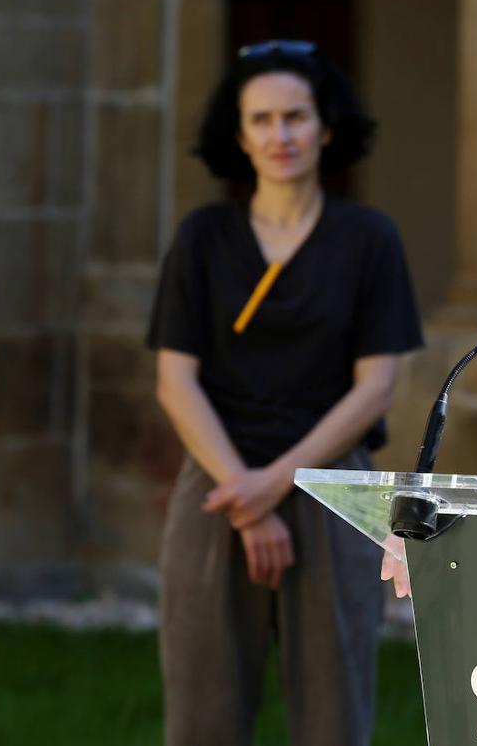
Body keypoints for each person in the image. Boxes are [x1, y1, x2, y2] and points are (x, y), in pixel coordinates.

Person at [148, 40, 423, 746]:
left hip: (332, 491)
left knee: (333, 719)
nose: (281, 135)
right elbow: (174, 381)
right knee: (202, 718)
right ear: (238, 135)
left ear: (326, 125)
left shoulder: (368, 239)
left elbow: (376, 387)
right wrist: (245, 496)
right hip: (216, 489)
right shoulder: (204, 238)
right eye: (262, 119)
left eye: (295, 116)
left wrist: (275, 485)